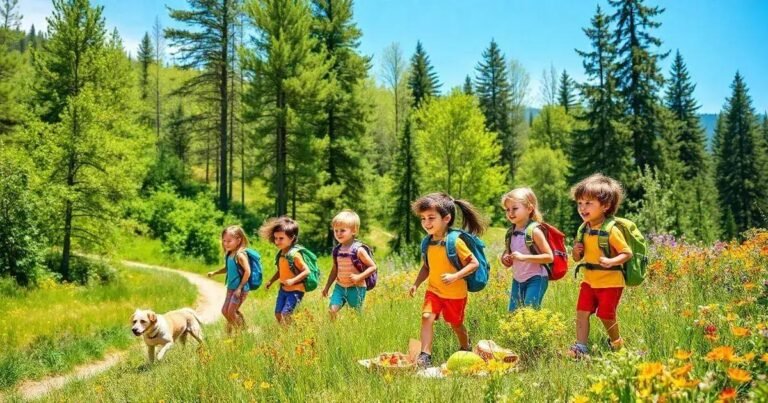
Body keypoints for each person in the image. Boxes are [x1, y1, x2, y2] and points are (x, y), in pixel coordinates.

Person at [408, 192, 486, 368]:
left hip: (455, 294)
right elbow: (427, 267)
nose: (426, 223)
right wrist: (416, 284)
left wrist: (455, 276)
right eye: (423, 218)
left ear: (446, 218)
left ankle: (466, 346)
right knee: (427, 316)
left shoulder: (455, 242)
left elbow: (473, 264)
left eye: (431, 218)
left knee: (455, 324)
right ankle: (425, 355)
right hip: (434, 290)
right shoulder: (427, 243)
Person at [567, 174, 633, 358]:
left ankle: (617, 344)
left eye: (588, 203)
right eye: (580, 203)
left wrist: (611, 261)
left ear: (606, 206)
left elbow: (627, 253)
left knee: (606, 314)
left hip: (610, 282)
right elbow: (577, 258)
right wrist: (576, 251)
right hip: (589, 280)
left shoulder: (611, 230)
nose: (582, 208)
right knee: (581, 312)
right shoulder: (584, 228)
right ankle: (581, 347)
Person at [500, 188, 554, 312]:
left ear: (529, 209)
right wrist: (505, 259)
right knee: (513, 314)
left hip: (537, 278)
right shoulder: (510, 232)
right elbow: (507, 252)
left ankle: (534, 332)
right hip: (517, 279)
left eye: (515, 208)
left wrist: (524, 257)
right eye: (507, 209)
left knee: (530, 312)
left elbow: (549, 257)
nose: (510, 213)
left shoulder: (534, 231)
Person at [322, 210, 377, 319]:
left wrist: (359, 277)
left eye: (342, 230)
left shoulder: (358, 250)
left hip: (356, 288)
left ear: (354, 231)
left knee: (355, 316)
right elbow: (334, 270)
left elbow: (373, 267)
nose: (338, 233)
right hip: (340, 287)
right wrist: (327, 287)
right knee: (331, 311)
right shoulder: (337, 250)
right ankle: (332, 332)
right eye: (336, 230)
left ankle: (358, 332)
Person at [260, 217, 309, 324]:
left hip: (296, 290)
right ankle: (287, 332)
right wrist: (271, 281)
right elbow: (280, 271)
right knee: (278, 314)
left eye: (281, 238)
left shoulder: (295, 255)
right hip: (283, 289)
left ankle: (289, 335)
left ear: (291, 238)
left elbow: (306, 271)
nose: (277, 241)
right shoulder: (281, 254)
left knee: (285, 314)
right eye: (275, 238)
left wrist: (293, 281)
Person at [207, 225, 251, 335]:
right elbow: (227, 268)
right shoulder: (229, 254)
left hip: (240, 289)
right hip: (231, 288)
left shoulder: (240, 255)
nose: (226, 243)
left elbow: (247, 272)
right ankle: (239, 327)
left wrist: (240, 288)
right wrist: (215, 272)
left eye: (229, 241)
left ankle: (240, 332)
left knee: (231, 312)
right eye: (224, 241)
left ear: (238, 240)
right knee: (224, 311)